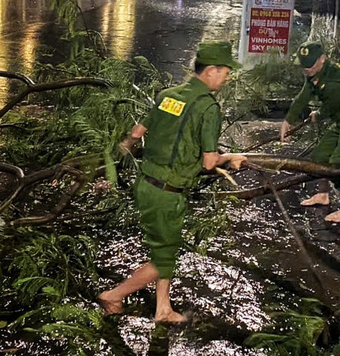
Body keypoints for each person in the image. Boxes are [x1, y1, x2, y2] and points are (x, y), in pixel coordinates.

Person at [99, 41, 247, 323]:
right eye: (226, 72)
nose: (227, 78)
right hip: (167, 194)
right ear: (212, 71)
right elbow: (208, 162)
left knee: (165, 247)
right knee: (164, 259)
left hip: (146, 184)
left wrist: (119, 151)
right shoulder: (207, 108)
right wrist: (230, 158)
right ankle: (114, 295)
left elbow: (137, 131)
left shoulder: (168, 95)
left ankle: (163, 308)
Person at [280, 43, 340, 223]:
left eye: (310, 66)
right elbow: (304, 95)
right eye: (304, 66)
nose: (306, 70)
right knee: (320, 154)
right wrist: (288, 121)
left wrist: (318, 115)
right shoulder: (315, 73)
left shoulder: (335, 81)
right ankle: (323, 194)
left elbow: (330, 108)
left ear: (322, 59)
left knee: (338, 163)